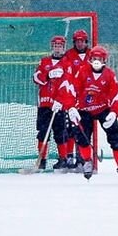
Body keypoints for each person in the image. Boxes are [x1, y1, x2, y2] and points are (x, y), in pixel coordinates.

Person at [63, 45, 118, 184]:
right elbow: (71, 90)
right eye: (94, 58)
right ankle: (87, 161)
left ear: (104, 60)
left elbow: (116, 95)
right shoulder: (82, 72)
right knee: (82, 137)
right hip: (84, 110)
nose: (97, 61)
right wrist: (71, 108)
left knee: (116, 138)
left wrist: (114, 112)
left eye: (100, 59)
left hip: (103, 109)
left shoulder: (109, 75)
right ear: (90, 59)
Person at [32, 36, 72, 172]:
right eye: (55, 45)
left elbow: (68, 84)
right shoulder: (44, 61)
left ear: (64, 47)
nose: (57, 48)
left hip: (59, 105)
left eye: (60, 46)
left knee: (61, 133)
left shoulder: (67, 63)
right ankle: (42, 160)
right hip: (44, 104)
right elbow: (36, 78)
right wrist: (48, 75)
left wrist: (61, 101)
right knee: (43, 133)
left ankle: (63, 159)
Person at [62, 29, 91, 170]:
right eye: (77, 41)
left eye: (82, 41)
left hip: (88, 98)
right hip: (72, 96)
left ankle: (83, 158)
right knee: (70, 127)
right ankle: (69, 157)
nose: (80, 44)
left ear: (86, 42)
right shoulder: (69, 55)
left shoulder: (92, 55)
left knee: (84, 128)